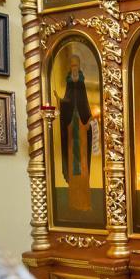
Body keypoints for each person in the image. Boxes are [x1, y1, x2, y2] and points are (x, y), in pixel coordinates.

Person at [57, 54, 94, 212]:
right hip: (71, 130)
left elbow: (84, 103)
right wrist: (60, 101)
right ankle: (73, 203)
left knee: (83, 168)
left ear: (79, 67)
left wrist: (88, 120)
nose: (74, 68)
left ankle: (84, 203)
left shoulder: (81, 84)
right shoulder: (69, 84)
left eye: (76, 65)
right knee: (73, 168)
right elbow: (67, 103)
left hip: (82, 130)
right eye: (72, 65)